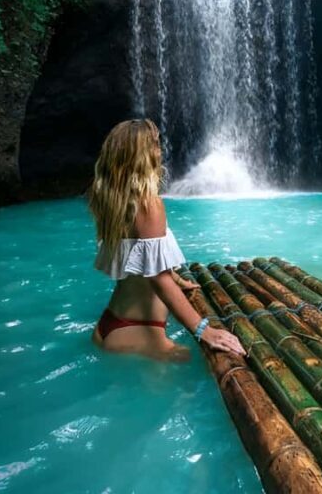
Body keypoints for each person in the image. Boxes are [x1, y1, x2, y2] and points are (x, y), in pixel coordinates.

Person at [89, 118, 245, 362]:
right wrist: (204, 330)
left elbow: (140, 257)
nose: (160, 150)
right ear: (142, 155)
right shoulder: (148, 204)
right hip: (142, 330)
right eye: (155, 144)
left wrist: (177, 279)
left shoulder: (111, 202)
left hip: (111, 322)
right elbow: (156, 276)